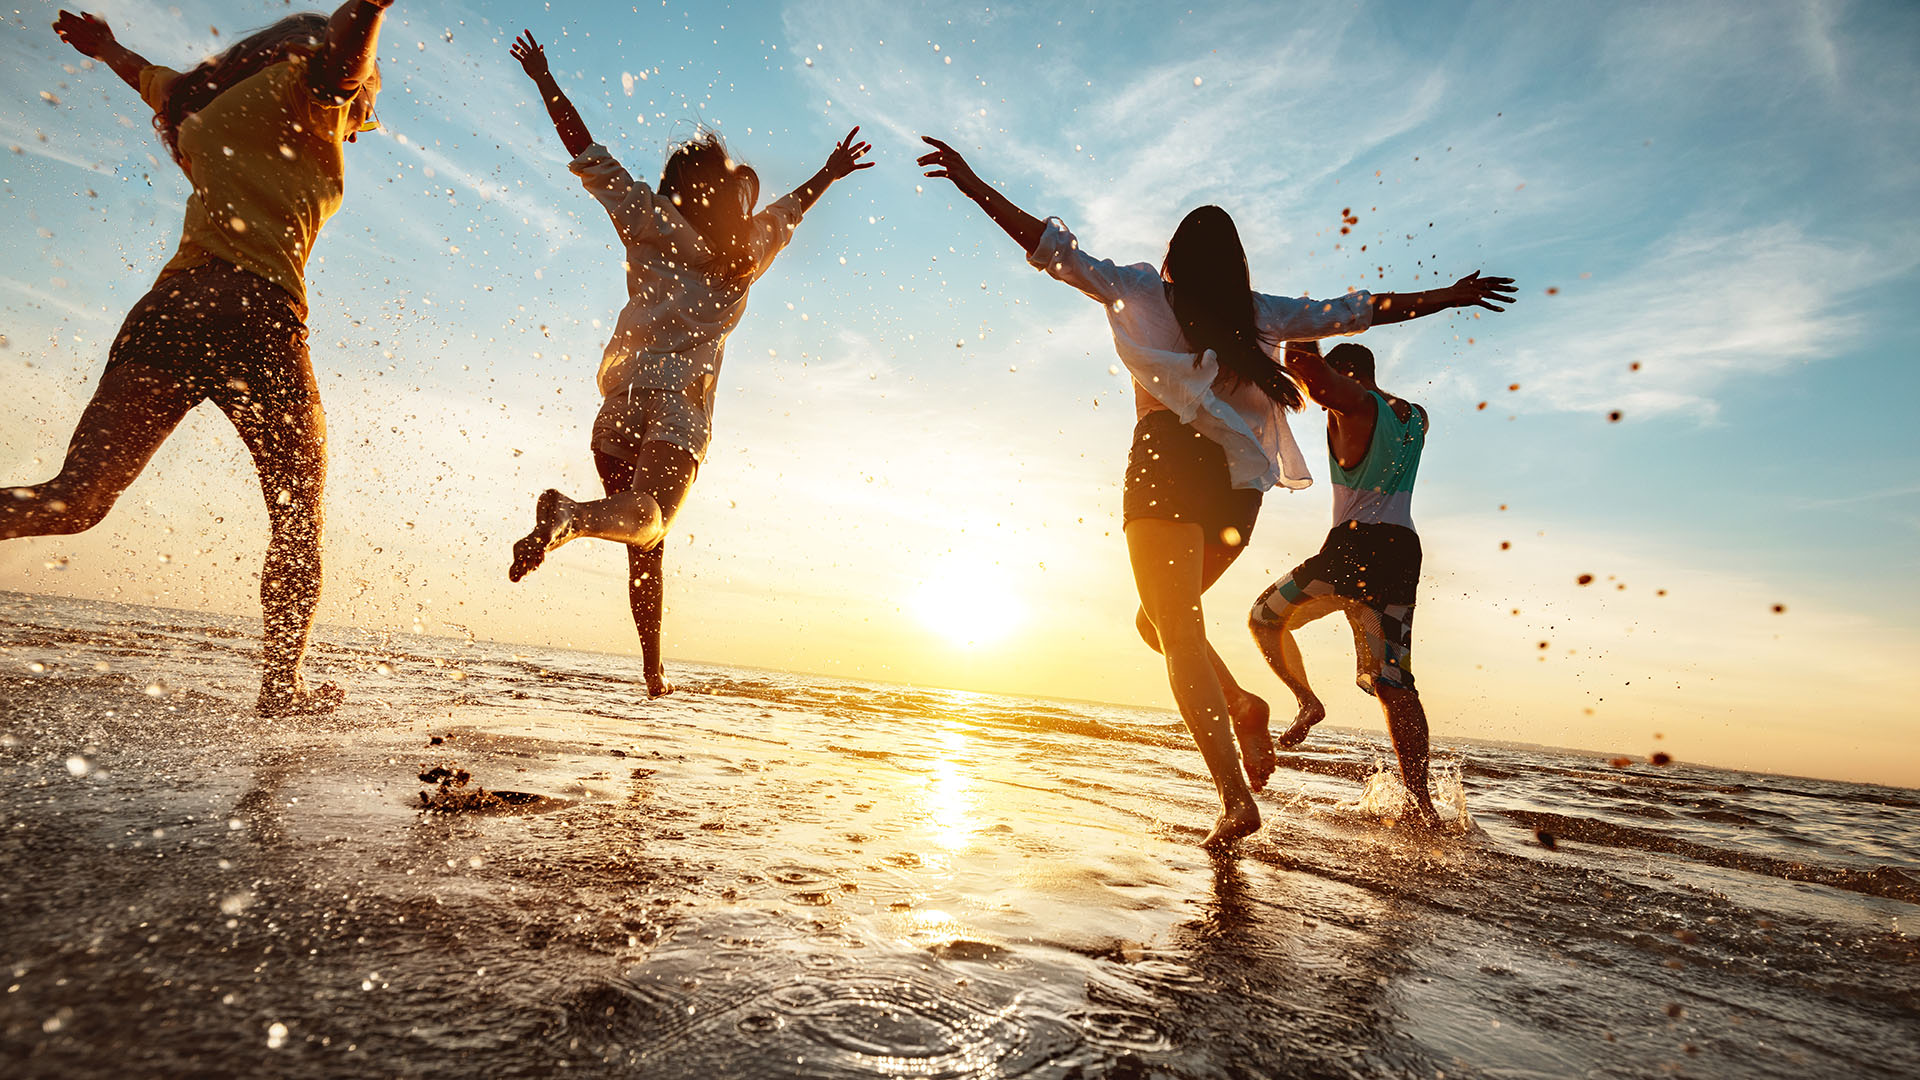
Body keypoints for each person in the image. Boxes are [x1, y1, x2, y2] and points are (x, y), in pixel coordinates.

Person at [916, 135, 1514, 846]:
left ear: (1173, 254)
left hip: (1167, 465)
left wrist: (971, 183)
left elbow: (1051, 250)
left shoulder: (1140, 288)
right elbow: (1356, 309)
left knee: (1175, 630)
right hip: (1237, 491)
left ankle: (1235, 796)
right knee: (1160, 625)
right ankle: (1243, 705)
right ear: (1236, 265)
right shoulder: (1259, 313)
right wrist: (1447, 297)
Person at [6, 3, 394, 715]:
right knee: (298, 518)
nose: (362, 112)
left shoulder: (198, 100)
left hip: (173, 308)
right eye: (369, 102)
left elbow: (143, 76)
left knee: (75, 498)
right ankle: (282, 688)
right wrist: (369, 10)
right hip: (260, 317)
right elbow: (343, 69)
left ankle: (283, 688)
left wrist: (104, 46)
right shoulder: (308, 92)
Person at [504, 31, 871, 698]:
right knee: (648, 519)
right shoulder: (747, 254)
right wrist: (831, 171)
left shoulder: (647, 217)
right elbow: (794, 207)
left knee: (646, 539)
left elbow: (585, 152)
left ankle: (652, 673)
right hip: (677, 407)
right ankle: (568, 516)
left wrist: (544, 79)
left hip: (617, 404)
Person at [1249, 340, 1464, 827]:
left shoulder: (1355, 405)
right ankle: (1420, 804)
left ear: (1345, 375)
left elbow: (1306, 372)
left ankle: (1307, 701)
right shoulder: (1415, 415)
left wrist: (1302, 329)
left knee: (1264, 617)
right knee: (1394, 680)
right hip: (1401, 551)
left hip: (1354, 548)